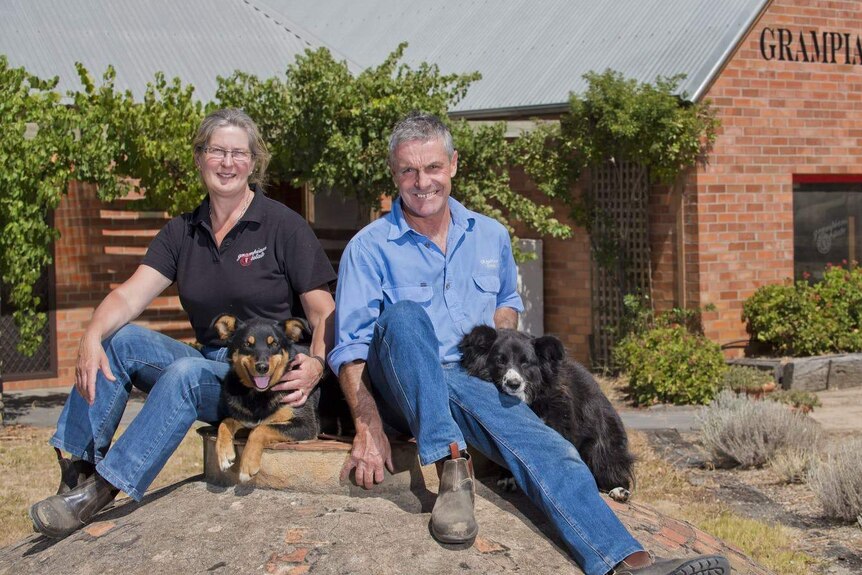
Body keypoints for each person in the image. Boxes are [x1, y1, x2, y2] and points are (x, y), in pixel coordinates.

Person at [328, 112, 731, 575]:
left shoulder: (491, 235)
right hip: (403, 386)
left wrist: (506, 369)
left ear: (454, 164)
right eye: (409, 171)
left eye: (433, 167)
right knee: (403, 317)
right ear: (394, 173)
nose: (422, 182)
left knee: (547, 444)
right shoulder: (369, 246)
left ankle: (628, 563)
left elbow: (505, 307)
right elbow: (352, 347)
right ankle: (452, 467)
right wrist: (367, 426)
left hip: (470, 381)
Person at [29, 108, 336, 539]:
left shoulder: (283, 226)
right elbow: (128, 296)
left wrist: (318, 364)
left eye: (237, 153)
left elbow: (323, 311)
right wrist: (90, 335)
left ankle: (103, 489)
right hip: (214, 362)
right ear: (199, 158)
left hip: (259, 378)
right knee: (119, 339)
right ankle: (77, 472)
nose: (227, 163)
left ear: (253, 162)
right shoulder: (182, 232)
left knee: (186, 374)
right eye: (216, 151)